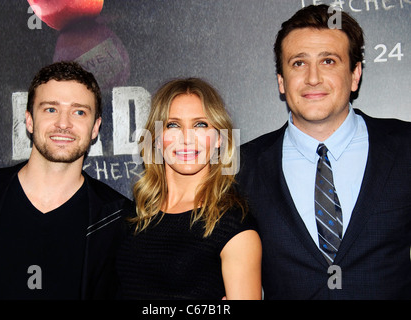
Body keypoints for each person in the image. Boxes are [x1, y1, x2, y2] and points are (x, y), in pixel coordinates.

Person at [237, 4, 411, 299]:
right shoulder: (241, 167)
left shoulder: (405, 146)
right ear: (281, 81)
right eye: (298, 63)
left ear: (355, 74)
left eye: (329, 61)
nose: (313, 78)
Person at [0, 61, 129, 299]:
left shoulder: (119, 220)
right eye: (51, 109)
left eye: (79, 111)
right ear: (29, 121)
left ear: (95, 128)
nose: (63, 123)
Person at [116, 78, 262, 300]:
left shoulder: (233, 225)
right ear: (156, 139)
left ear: (218, 139)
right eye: (173, 125)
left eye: (200, 125)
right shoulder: (135, 216)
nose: (186, 139)